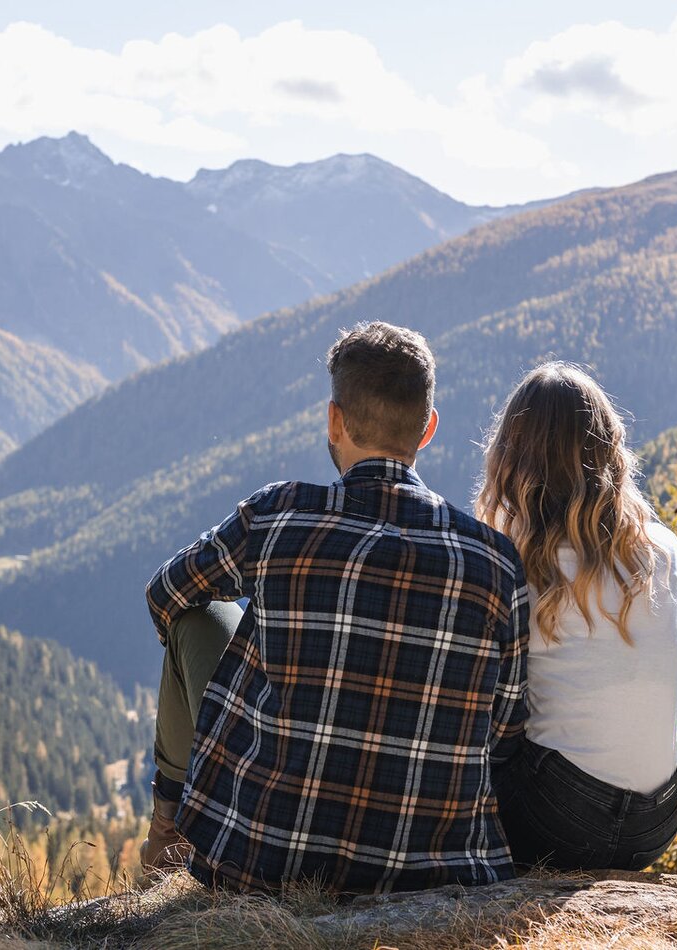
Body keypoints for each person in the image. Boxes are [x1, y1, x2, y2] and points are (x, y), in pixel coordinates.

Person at [141, 321, 529, 893]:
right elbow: (507, 723)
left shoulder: (276, 515)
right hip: (435, 874)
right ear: (428, 430)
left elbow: (166, 596)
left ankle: (166, 836)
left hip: (264, 859)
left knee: (196, 617)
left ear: (334, 419)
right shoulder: (494, 560)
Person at [475, 362, 677, 872]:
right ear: (609, 448)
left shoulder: (509, 558)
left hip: (557, 814)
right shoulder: (663, 549)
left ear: (511, 458)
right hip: (659, 818)